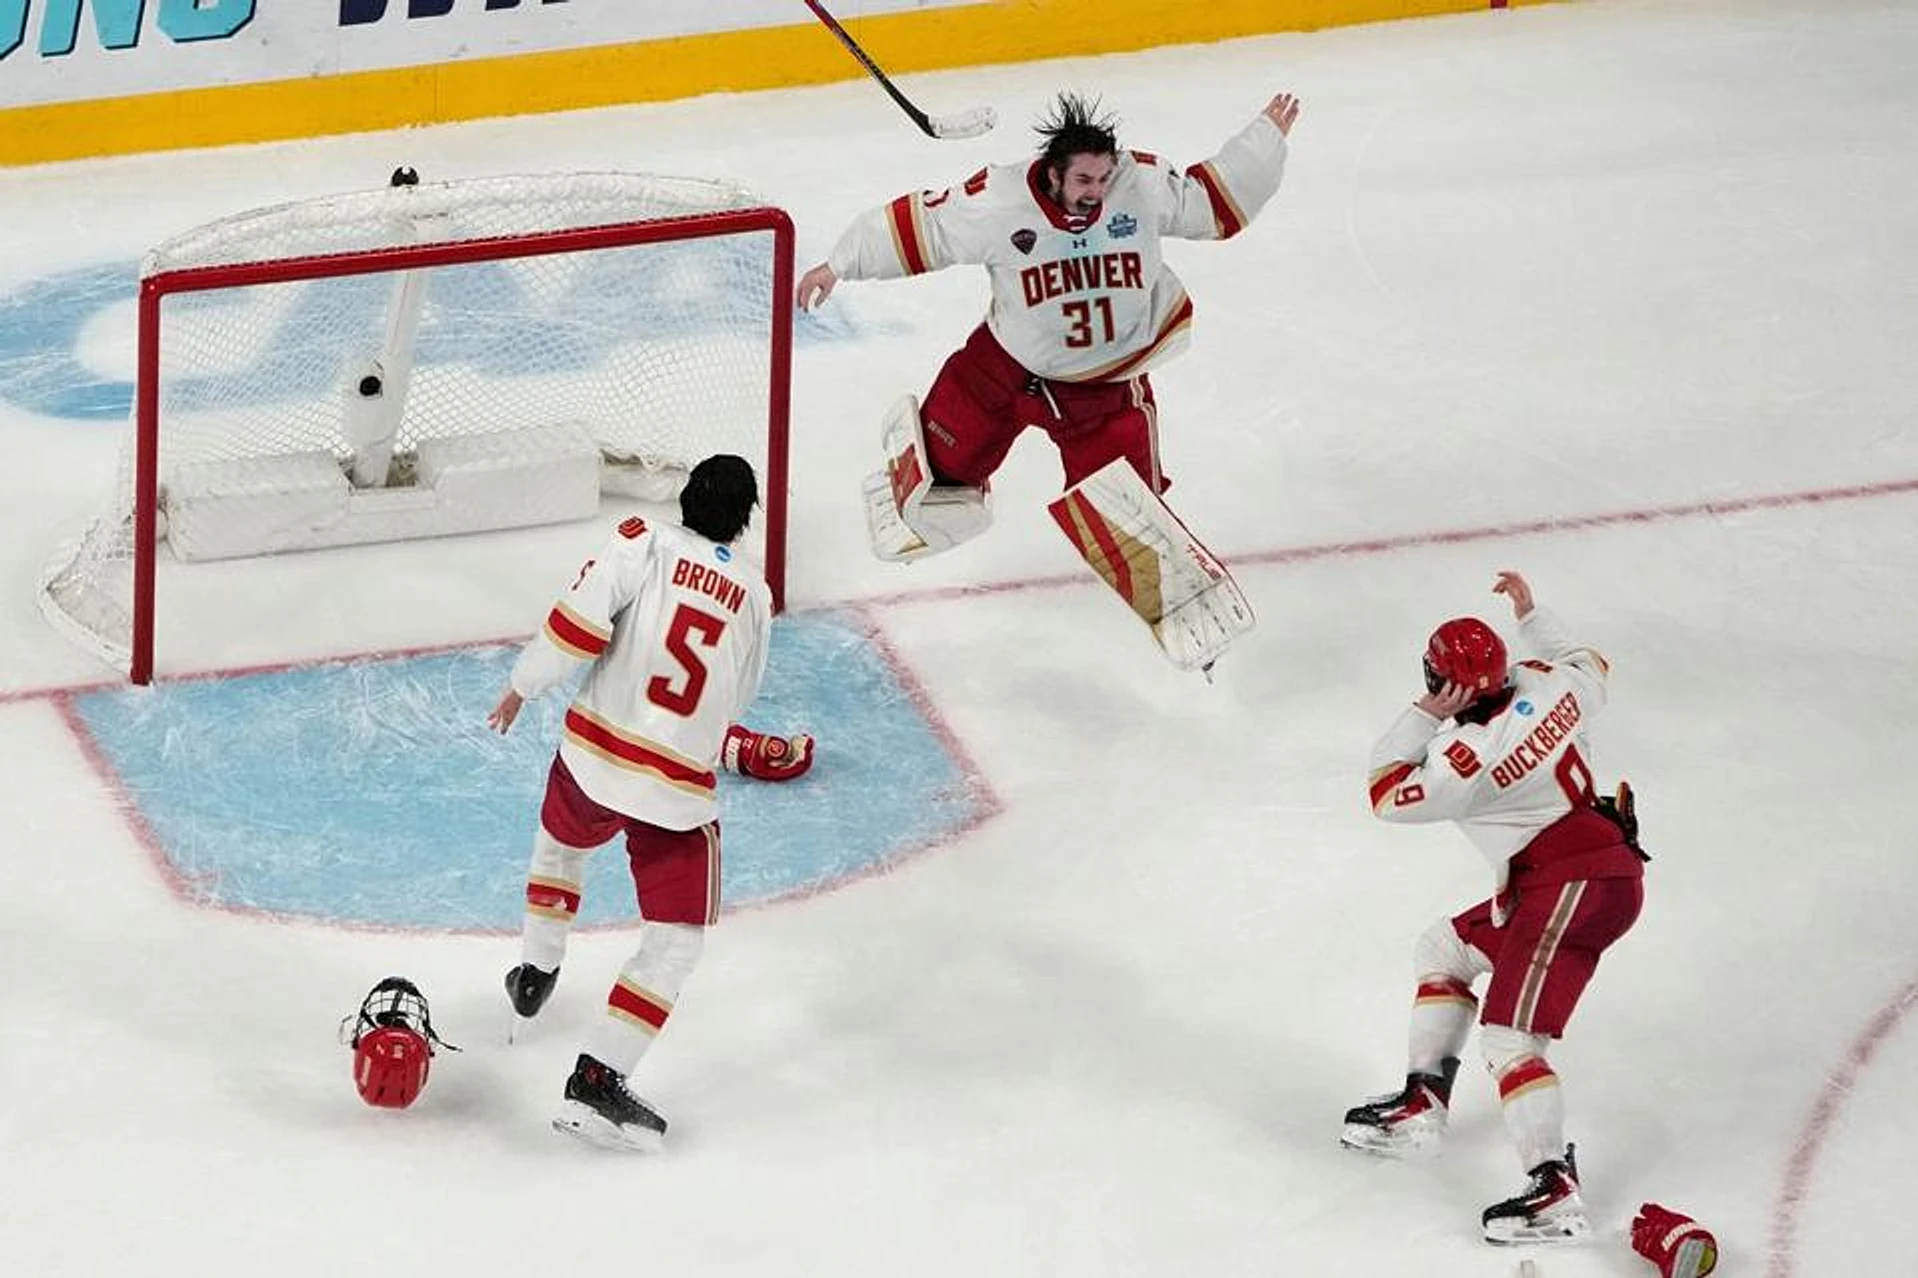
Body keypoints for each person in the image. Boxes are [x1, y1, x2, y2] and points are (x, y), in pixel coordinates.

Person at [796, 90, 1302, 672]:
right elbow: (920, 229)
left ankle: (1185, 615)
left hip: (1104, 388)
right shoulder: (998, 201)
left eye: (1103, 178)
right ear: (1054, 173)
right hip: (1005, 370)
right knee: (937, 485)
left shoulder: (1138, 184)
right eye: (1084, 179)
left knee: (1135, 521)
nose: (1097, 191)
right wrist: (837, 265)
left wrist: (1264, 141)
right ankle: (941, 486)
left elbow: (1214, 205)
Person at [486, 454, 802, 1152]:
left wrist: (522, 683)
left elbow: (577, 625)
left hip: (595, 755)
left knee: (559, 840)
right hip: (676, 791)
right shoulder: (755, 593)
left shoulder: (640, 537)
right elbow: (735, 697)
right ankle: (599, 1078)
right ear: (746, 521)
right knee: (673, 943)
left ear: (683, 499)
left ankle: (537, 968)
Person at [1343, 571, 1648, 1245]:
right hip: (1586, 872)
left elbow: (1386, 788)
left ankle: (1553, 1192)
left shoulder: (1464, 757)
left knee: (1511, 1038)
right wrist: (1533, 614)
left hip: (1571, 883)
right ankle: (1423, 1102)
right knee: (1443, 949)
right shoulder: (1549, 681)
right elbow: (1588, 661)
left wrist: (1425, 710)